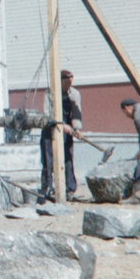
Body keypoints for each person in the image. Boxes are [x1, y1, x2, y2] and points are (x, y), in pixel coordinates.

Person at [40, 69, 83, 202]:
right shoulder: (50, 92)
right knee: (49, 161)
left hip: (67, 131)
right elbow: (47, 114)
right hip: (50, 130)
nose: (68, 86)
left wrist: (77, 128)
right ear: (59, 82)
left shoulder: (75, 94)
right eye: (65, 83)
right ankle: (47, 188)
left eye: (70, 83)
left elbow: (76, 113)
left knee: (68, 159)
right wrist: (61, 125)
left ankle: (70, 189)